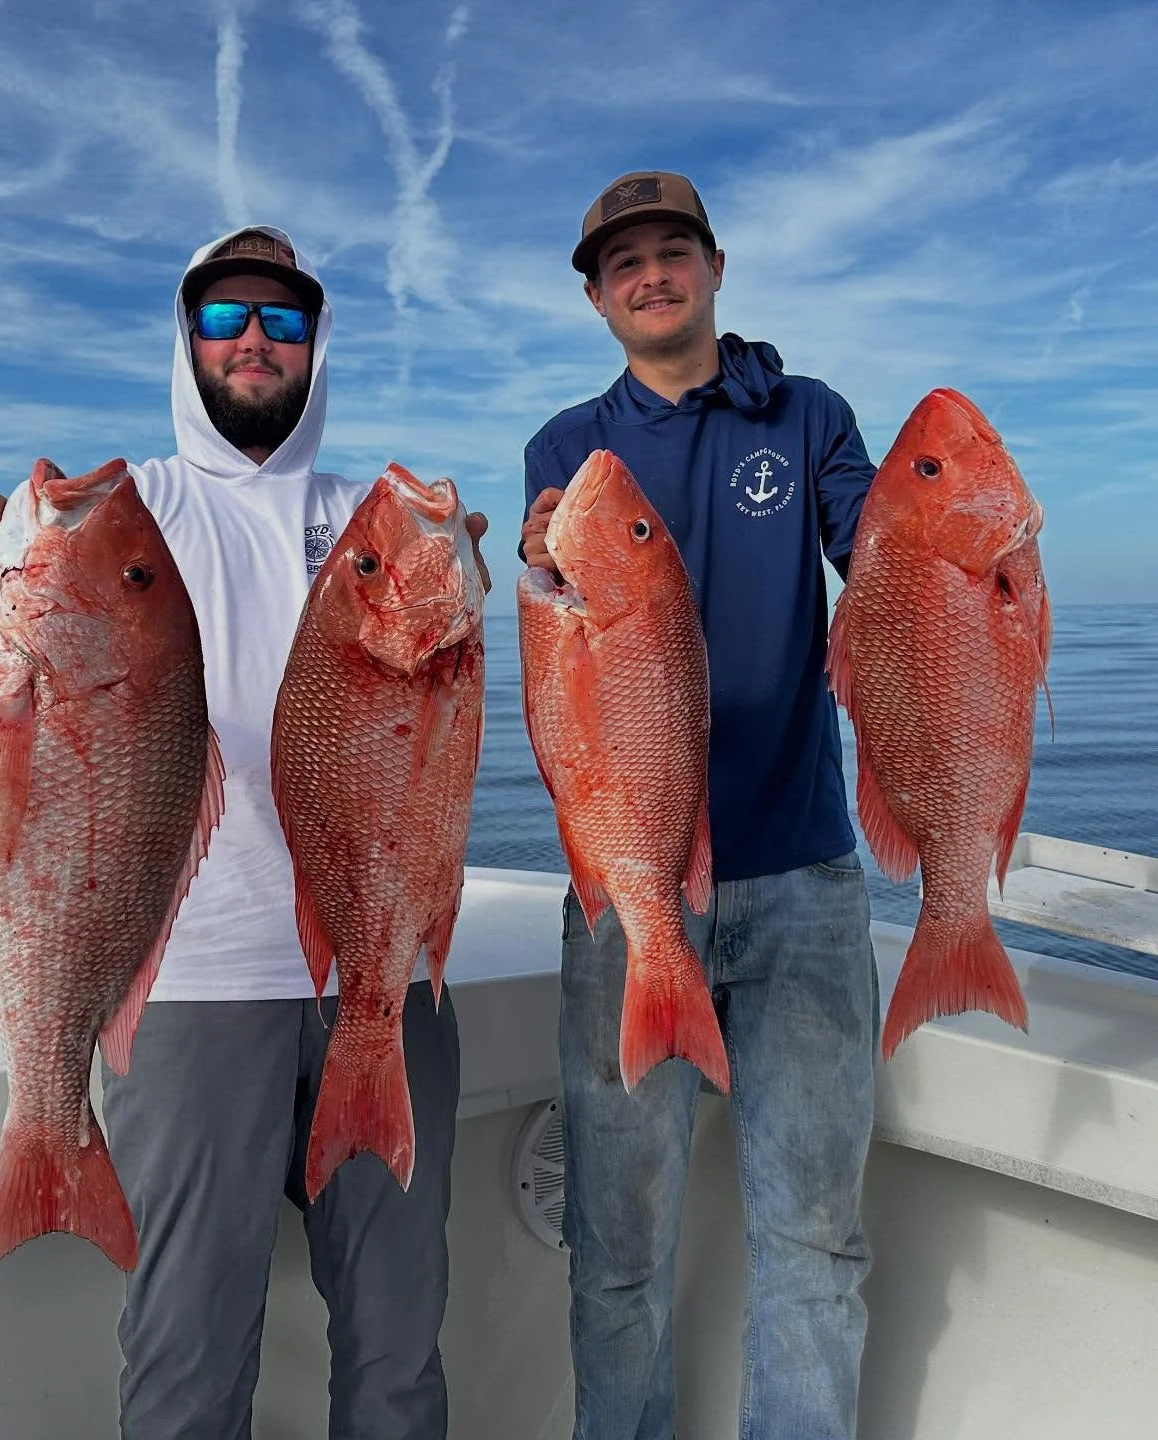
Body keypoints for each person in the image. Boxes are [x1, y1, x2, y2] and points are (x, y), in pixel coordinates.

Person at [0, 225, 489, 1440]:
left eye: (284, 320)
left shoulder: (367, 523)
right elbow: (40, 710)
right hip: (191, 979)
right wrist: (8, 603)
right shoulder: (135, 515)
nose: (255, 340)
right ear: (186, 338)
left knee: (399, 1349)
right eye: (224, 317)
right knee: (187, 1364)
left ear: (315, 346)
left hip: (384, 972)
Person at [520, 173, 879, 1440]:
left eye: (674, 252)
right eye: (625, 263)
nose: (652, 276)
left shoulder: (809, 415)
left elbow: (880, 567)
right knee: (616, 1256)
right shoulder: (568, 451)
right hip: (626, 891)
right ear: (598, 293)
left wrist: (965, 553)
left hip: (803, 886)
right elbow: (556, 662)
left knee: (815, 1241)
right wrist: (525, 575)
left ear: (716, 267)